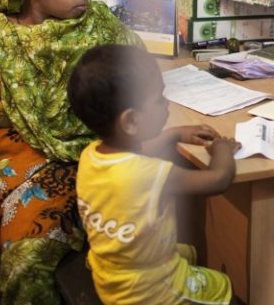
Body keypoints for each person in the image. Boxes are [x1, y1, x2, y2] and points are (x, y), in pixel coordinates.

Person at [0, 0, 212, 304]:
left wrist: (167, 135)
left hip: (90, 168)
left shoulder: (101, 26)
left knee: (36, 258)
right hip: (13, 174)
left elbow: (132, 102)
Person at [68, 44, 240, 305]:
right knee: (224, 287)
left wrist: (174, 133)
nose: (167, 103)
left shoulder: (91, 156)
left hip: (111, 278)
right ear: (131, 121)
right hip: (150, 292)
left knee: (188, 251)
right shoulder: (148, 175)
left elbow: (137, 152)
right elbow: (219, 180)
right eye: (159, 98)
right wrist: (222, 150)